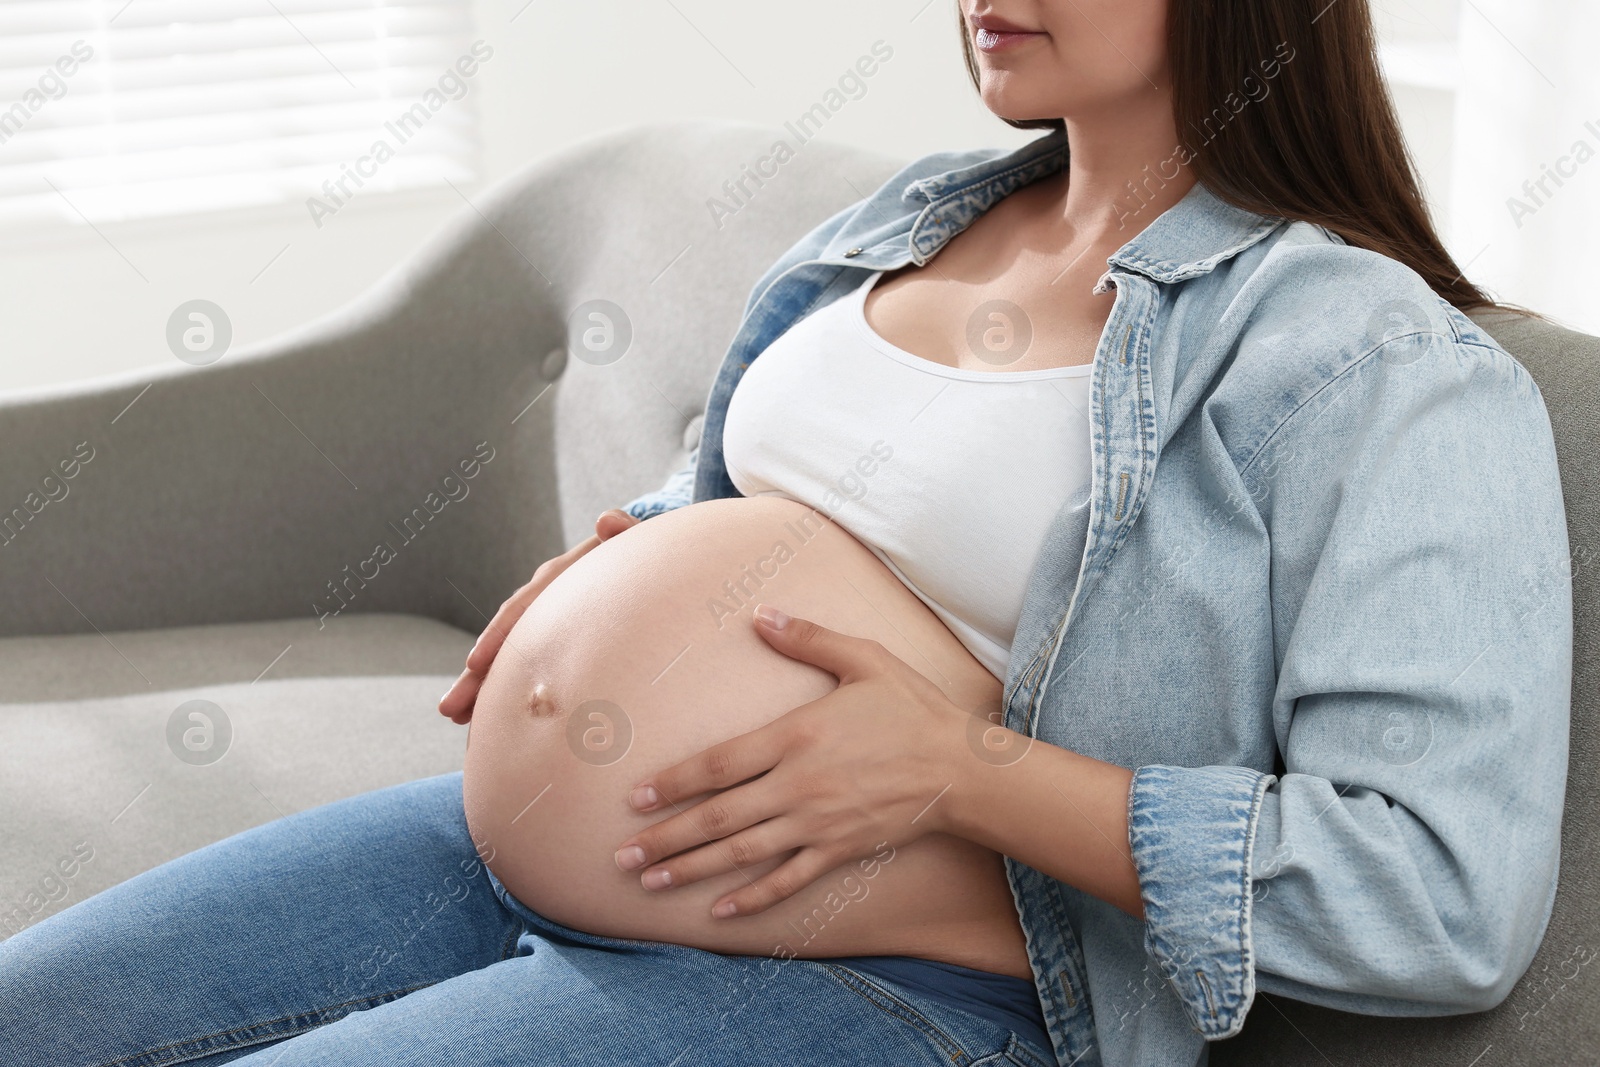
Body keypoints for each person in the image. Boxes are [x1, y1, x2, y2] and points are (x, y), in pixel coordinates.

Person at [0, 2, 1572, 1065]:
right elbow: (780, 514)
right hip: (497, 850)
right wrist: (628, 557)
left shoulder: (1377, 371)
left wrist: (972, 772)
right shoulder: (913, 216)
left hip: (893, 979)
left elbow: (1436, 896)